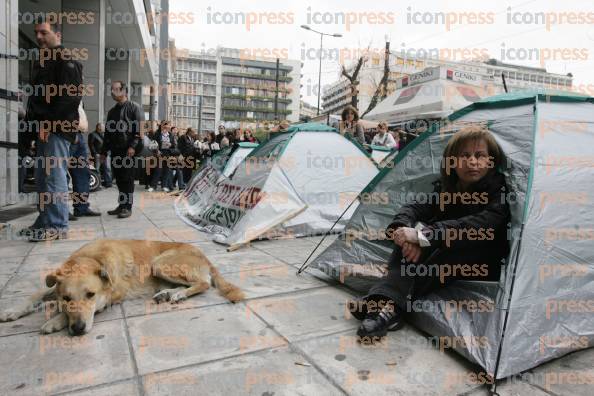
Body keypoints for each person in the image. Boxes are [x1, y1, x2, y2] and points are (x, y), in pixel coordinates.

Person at [349, 126, 511, 338]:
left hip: (481, 257)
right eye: (465, 156)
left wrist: (424, 236)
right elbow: (415, 207)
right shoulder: (448, 188)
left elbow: (481, 225)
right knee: (408, 245)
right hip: (445, 245)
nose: (473, 161)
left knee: (435, 247)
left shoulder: (498, 191)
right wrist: (402, 231)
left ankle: (385, 303)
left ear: (491, 161)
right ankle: (387, 304)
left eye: (480, 156)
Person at [23, 17, 83, 241]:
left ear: (57, 35)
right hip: (43, 130)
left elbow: (70, 98)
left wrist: (48, 123)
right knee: (41, 178)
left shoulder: (65, 60)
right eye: (36, 33)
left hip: (56, 129)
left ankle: (57, 226)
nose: (39, 37)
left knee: (54, 177)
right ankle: (45, 220)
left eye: (44, 33)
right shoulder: (43, 61)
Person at [102, 81, 144, 219]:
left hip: (128, 150)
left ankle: (127, 207)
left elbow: (138, 130)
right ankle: (121, 205)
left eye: (115, 89)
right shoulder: (112, 112)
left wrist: (133, 146)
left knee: (127, 179)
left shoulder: (134, 108)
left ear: (124, 91)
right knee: (119, 179)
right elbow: (108, 133)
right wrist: (103, 151)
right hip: (116, 150)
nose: (113, 92)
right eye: (112, 90)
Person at [69, 110, 101, 219]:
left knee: (82, 174)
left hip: (79, 135)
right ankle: (60, 210)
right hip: (66, 133)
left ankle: (81, 208)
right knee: (60, 174)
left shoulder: (79, 96)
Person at [149, 121, 176, 192]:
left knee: (166, 170)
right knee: (158, 170)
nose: (166, 128)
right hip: (160, 154)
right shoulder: (157, 134)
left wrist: (171, 145)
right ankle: (153, 186)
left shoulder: (170, 135)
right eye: (164, 127)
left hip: (168, 154)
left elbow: (174, 145)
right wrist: (156, 151)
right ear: (161, 126)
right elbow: (153, 144)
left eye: (167, 127)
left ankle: (164, 186)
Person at [88, 123, 112, 188]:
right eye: (103, 127)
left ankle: (108, 183)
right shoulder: (92, 134)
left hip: (105, 154)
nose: (104, 128)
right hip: (98, 155)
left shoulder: (105, 134)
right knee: (97, 169)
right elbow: (91, 145)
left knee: (107, 168)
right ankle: (98, 184)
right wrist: (95, 153)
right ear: (99, 127)